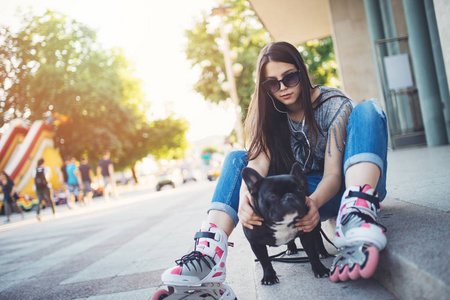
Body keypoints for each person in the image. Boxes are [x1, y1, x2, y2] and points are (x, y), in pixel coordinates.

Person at [160, 41, 388, 285]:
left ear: (301, 71)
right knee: (237, 158)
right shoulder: (268, 114)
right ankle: (209, 251)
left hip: (339, 189)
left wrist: (313, 202)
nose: (282, 88)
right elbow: (257, 165)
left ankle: (356, 214)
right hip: (297, 197)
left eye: (289, 78)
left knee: (367, 109)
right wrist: (245, 199)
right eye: (272, 83)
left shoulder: (333, 104)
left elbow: (332, 175)